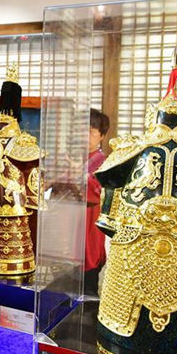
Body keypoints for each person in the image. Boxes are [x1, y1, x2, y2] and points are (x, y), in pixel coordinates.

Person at [84, 108, 109, 297]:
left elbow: (101, 193)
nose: (87, 136)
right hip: (71, 221)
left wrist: (81, 177)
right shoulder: (76, 159)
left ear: (101, 136)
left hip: (90, 224)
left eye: (92, 132)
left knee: (88, 275)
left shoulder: (105, 163)